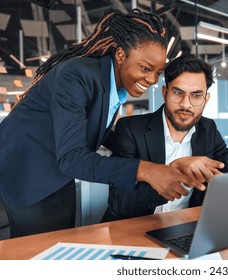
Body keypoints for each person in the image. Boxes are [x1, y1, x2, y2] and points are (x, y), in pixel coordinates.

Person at [0, 9, 207, 238]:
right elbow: (72, 158)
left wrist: (164, 159)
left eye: (158, 72)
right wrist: (146, 170)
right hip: (27, 170)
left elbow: (97, 133)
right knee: (39, 251)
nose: (151, 80)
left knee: (60, 243)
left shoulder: (114, 84)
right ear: (120, 55)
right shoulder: (76, 75)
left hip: (56, 170)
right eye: (145, 68)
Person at [101, 55, 228, 222]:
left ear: (206, 99)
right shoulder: (131, 129)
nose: (186, 104)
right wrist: (174, 172)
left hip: (184, 228)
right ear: (165, 93)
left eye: (196, 96)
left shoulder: (208, 130)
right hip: (133, 231)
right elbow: (119, 204)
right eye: (178, 93)